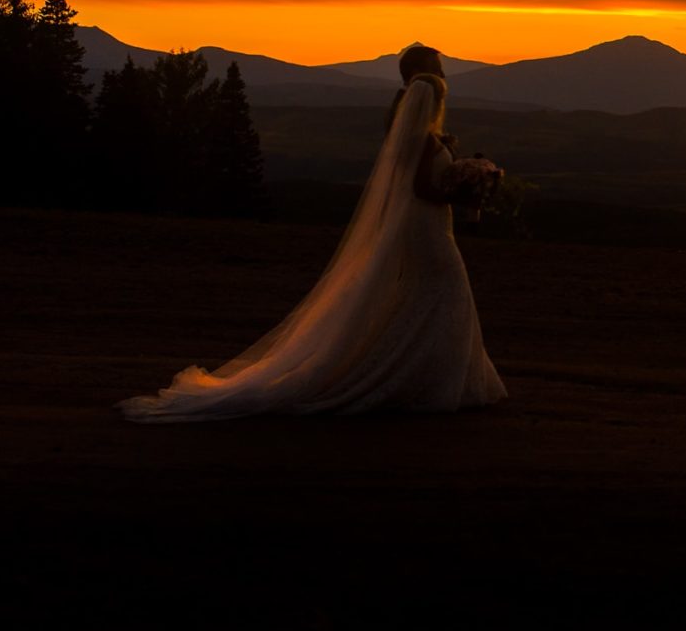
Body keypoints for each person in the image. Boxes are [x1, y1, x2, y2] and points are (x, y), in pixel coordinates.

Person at [120, 45, 506, 421]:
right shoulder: (423, 141)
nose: (443, 77)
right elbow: (423, 191)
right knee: (445, 290)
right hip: (428, 228)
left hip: (426, 227)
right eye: (439, 70)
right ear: (429, 89)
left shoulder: (421, 138)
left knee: (426, 296)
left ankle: (425, 377)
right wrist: (458, 191)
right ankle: (429, 381)